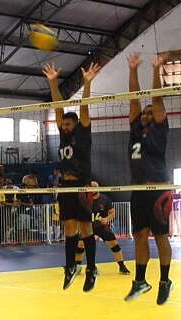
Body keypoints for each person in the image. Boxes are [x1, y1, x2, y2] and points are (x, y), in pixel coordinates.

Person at [43, 61, 100, 292]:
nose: (64, 126)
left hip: (82, 186)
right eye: (63, 124)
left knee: (86, 229)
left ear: (75, 124)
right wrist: (53, 82)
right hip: (66, 188)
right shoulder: (64, 135)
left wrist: (87, 83)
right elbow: (58, 107)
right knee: (69, 229)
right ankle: (69, 268)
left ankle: (91, 268)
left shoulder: (83, 133)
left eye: (67, 124)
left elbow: (84, 107)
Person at [124, 53, 173, 305]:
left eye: (150, 112)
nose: (146, 112)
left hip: (159, 189)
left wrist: (156, 69)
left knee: (160, 236)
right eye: (144, 112)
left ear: (157, 116)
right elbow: (134, 98)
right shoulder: (135, 129)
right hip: (138, 190)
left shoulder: (160, 129)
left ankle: (165, 280)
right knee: (140, 236)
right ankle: (140, 281)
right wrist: (132, 70)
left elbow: (156, 98)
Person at [75, 183, 130, 275]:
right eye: (90, 187)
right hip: (88, 226)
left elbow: (112, 212)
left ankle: (122, 266)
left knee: (114, 244)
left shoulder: (105, 199)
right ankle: (77, 266)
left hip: (101, 226)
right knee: (80, 244)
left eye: (94, 187)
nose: (92, 189)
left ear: (98, 188)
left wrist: (107, 219)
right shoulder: (85, 200)